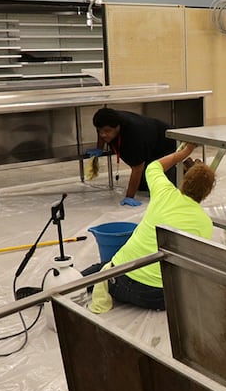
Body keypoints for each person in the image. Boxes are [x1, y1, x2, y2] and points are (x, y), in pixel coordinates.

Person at [85, 142, 214, 310]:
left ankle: (60, 286)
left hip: (118, 281)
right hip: (157, 297)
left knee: (101, 268)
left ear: (184, 181)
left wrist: (182, 154)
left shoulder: (163, 192)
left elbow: (154, 167)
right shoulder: (204, 223)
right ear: (207, 193)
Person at [92, 107, 179, 206]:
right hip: (148, 141)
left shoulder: (134, 134)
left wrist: (129, 197)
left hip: (166, 141)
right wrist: (99, 148)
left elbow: (137, 168)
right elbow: (102, 131)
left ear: (117, 127)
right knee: (142, 186)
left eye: (107, 131)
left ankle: (186, 169)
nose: (103, 134)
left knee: (160, 190)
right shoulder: (104, 121)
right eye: (100, 131)